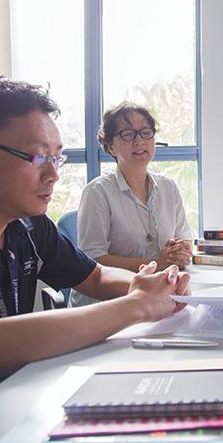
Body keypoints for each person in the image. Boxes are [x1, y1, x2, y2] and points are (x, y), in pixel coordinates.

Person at [0, 77, 190, 420]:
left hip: (8, 401)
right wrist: (137, 305)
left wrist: (153, 285)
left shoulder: (27, 223)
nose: (53, 175)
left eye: (56, 158)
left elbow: (96, 275)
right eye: (36, 156)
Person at [69, 103, 193, 307]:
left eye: (146, 132)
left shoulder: (168, 188)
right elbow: (93, 260)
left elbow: (186, 241)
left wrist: (180, 251)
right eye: (127, 134)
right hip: (107, 302)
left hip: (156, 296)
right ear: (110, 146)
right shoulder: (97, 192)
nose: (139, 141)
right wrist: (157, 263)